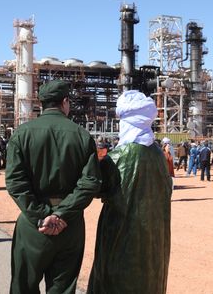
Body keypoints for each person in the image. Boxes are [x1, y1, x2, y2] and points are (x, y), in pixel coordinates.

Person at [6, 80, 101, 294]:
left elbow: (15, 182)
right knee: (63, 287)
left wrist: (41, 216)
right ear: (65, 102)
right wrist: (61, 215)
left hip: (33, 224)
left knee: (24, 286)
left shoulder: (21, 134)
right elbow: (90, 183)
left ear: (41, 103)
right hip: (69, 225)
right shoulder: (82, 135)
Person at [88, 90, 172, 294]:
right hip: (155, 240)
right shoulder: (159, 156)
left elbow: (96, 188)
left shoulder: (117, 157)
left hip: (121, 239)